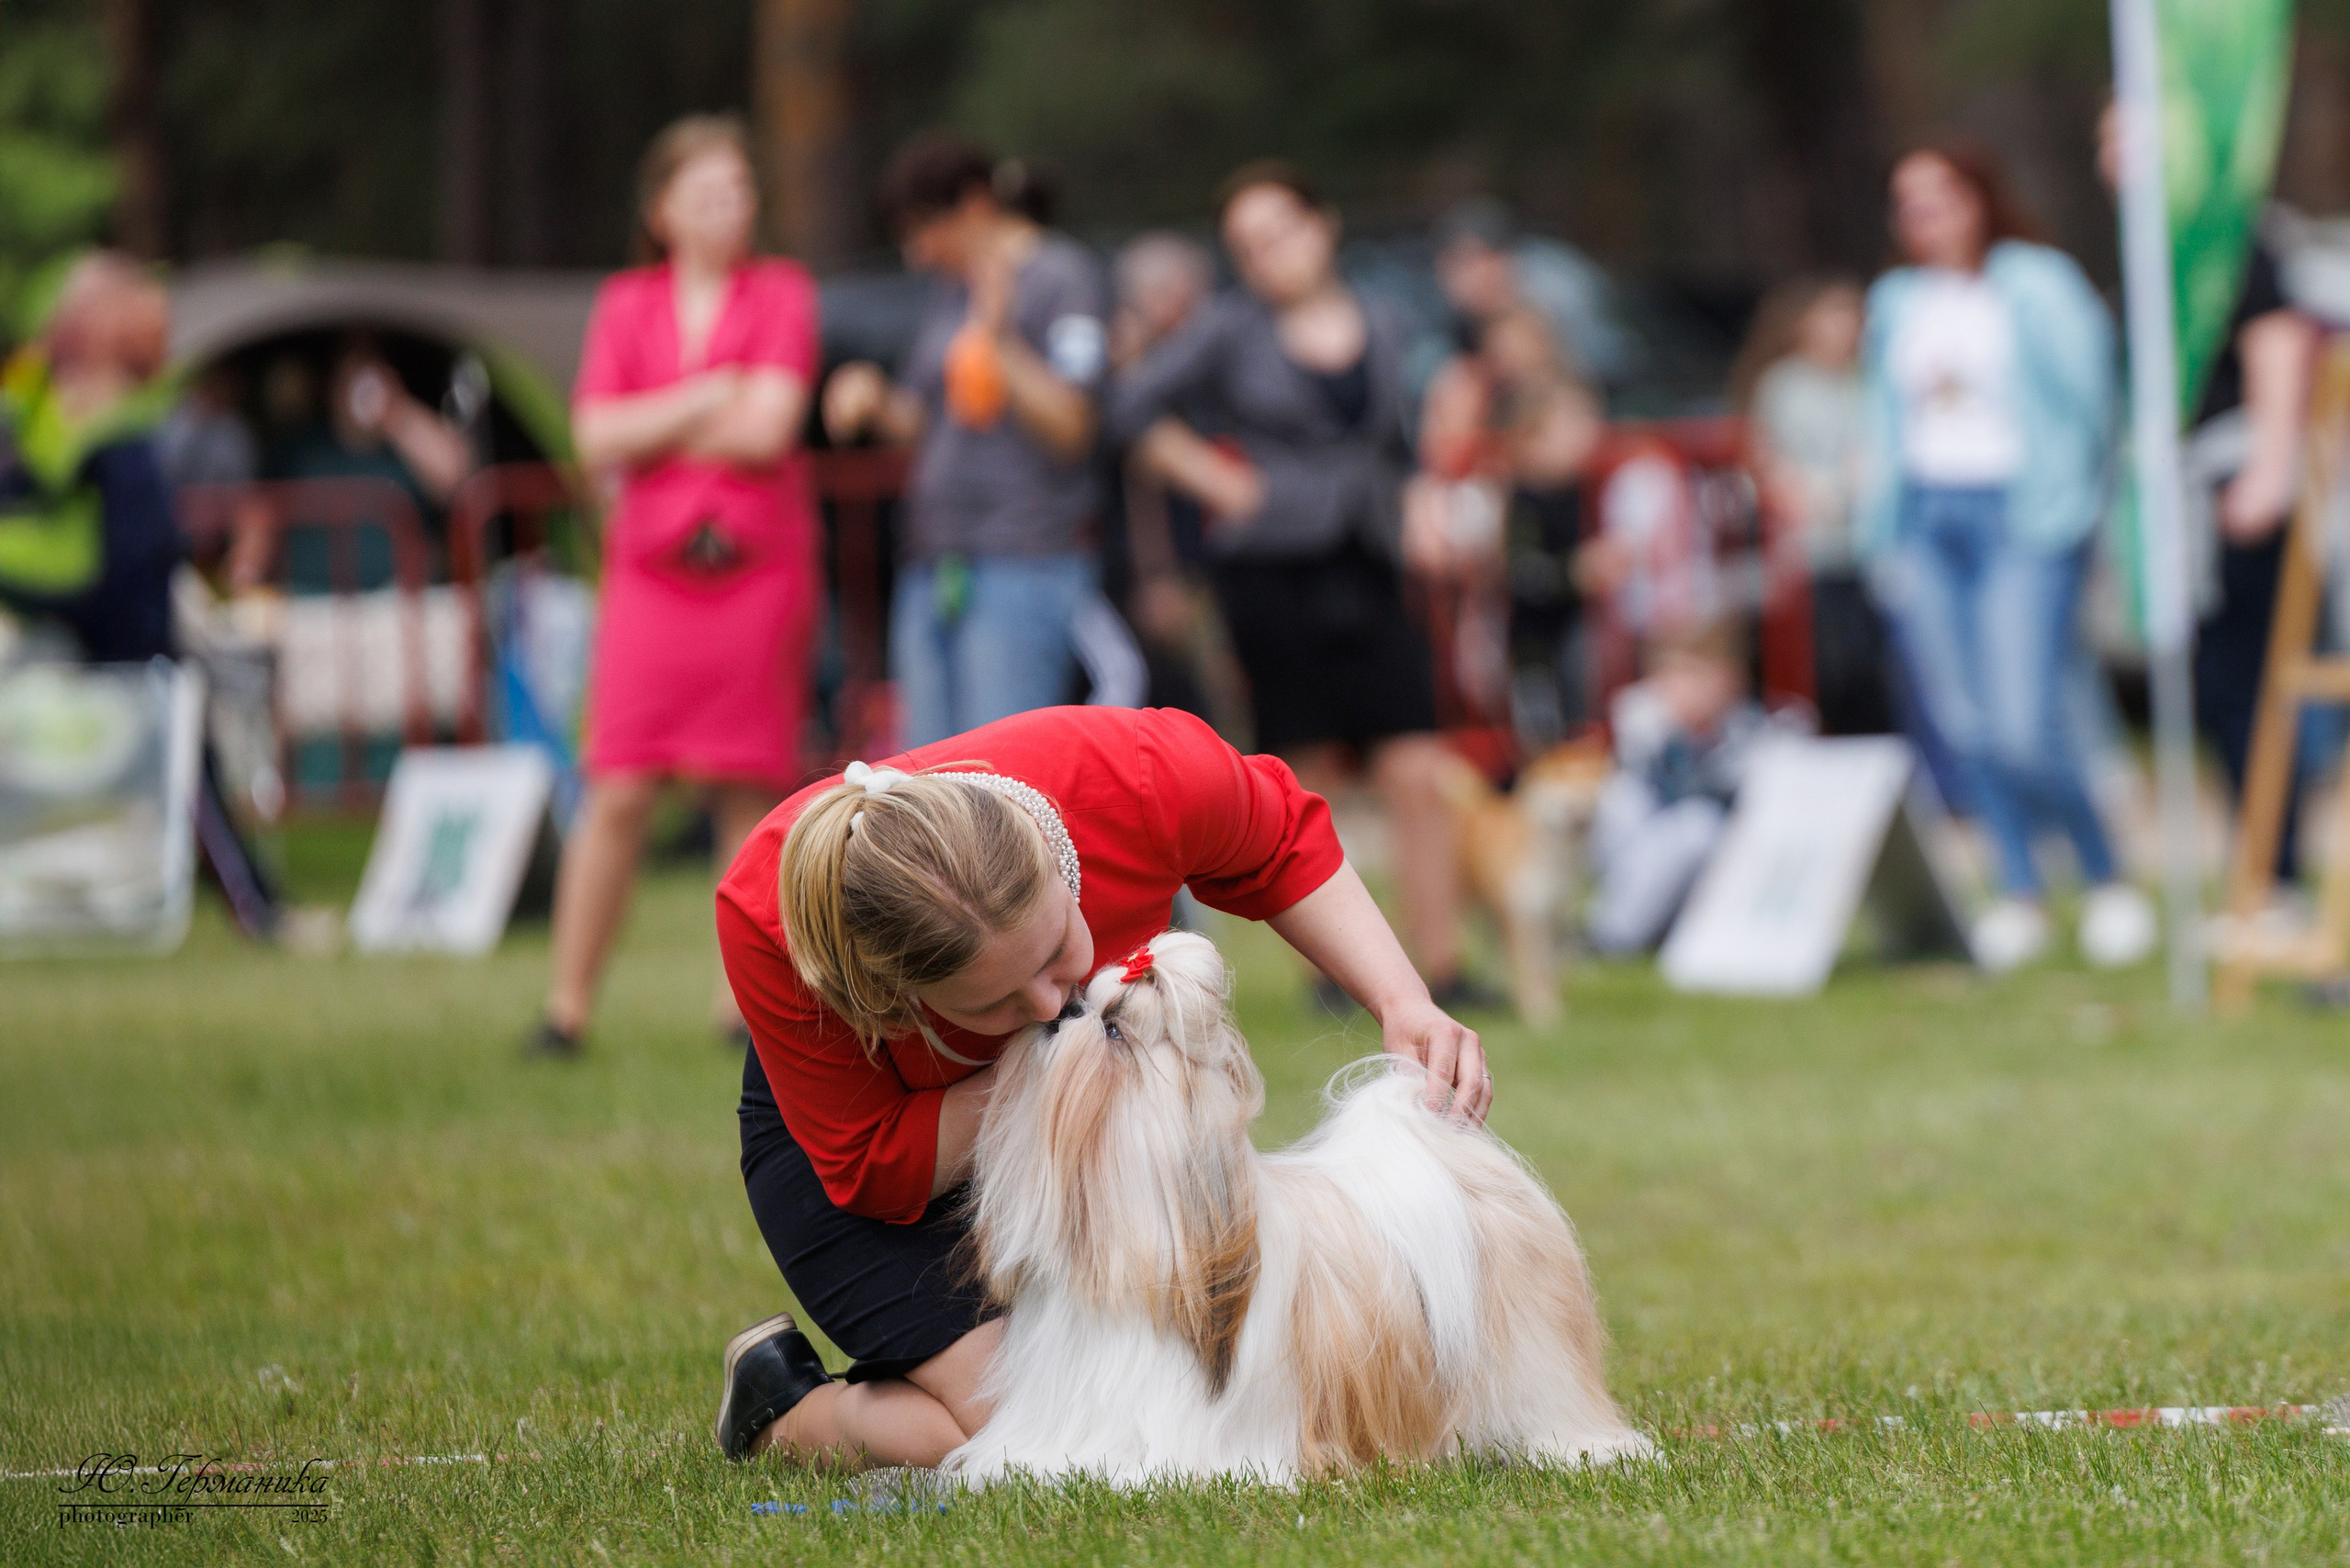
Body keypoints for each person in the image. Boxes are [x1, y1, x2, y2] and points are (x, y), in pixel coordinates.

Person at [708, 703, 1492, 1468]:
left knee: (1144, 1406)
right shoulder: (769, 922)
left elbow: (1279, 837)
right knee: (1035, 1434)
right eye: (999, 1006)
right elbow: (874, 1165)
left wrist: (1401, 999)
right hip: (866, 1167)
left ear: (1058, 859)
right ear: (894, 998)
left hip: (1077, 1141)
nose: (1054, 1005)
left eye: (1058, 951)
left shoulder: (1138, 774)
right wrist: (1075, 1072)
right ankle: (793, 1412)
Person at [1108, 163, 1488, 1010]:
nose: (1266, 256)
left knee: (1418, 763)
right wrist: (1214, 478)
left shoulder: (1384, 320)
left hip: (1371, 555)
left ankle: (1443, 961)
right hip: (1272, 565)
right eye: (1246, 245)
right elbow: (1130, 408)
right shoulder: (1226, 331)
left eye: (1278, 231)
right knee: (1307, 775)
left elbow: (1400, 441)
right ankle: (1337, 973)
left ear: (1323, 223)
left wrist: (1423, 499)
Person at [529, 115, 822, 1058]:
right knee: (618, 784)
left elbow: (769, 429)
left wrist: (647, 426)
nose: (727, 208)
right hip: (651, 576)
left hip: (756, 570)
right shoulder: (625, 303)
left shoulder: (780, 294)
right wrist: (703, 398)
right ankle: (565, 1008)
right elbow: (592, 435)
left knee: (750, 786)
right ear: (661, 211)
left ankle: (744, 1007)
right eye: (706, 191)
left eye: (739, 190)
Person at [1857, 142, 2154, 972]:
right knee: (1963, 719)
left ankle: (2104, 875)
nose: (1922, 218)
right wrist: (1873, 516)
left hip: (2022, 512)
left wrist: (2085, 511)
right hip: (1924, 516)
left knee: (2027, 716)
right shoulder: (1897, 298)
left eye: (1938, 198)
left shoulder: (2036, 282)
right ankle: (2018, 887)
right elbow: (1883, 416)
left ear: (1979, 199)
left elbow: (2093, 399)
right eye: (1906, 203)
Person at [0, 251, 289, 940]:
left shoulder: (84, 406)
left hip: (90, 599)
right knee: (182, 754)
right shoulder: (60, 409)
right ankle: (257, 910)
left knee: (183, 757)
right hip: (94, 605)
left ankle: (255, 906)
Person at [2095, 108, 2324, 898]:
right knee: (2219, 692)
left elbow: (2280, 343)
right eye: (2107, 141)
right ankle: (2261, 868)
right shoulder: (2152, 251)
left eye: (2129, 138)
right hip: (2180, 494)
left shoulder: (2229, 239)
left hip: (2235, 483)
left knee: (2253, 688)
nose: (2113, 157)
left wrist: (2270, 467)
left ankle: (2279, 874)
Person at [821, 135, 1112, 747]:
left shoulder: (1062, 277)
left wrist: (1000, 337)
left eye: (925, 231)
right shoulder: (951, 291)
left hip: (1024, 555)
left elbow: (1072, 425)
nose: (917, 255)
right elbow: (931, 420)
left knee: (1000, 767)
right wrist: (875, 398)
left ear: (976, 205)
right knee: (927, 772)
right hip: (937, 555)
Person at [1736, 276, 1898, 737]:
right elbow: (1770, 466)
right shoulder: (1784, 387)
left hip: (1871, 551)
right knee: (1831, 668)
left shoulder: (1873, 383)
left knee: (1878, 671)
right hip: (1813, 555)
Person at [1586, 621, 1776, 954]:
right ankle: (1614, 929)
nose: (1684, 689)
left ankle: (1627, 934)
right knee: (1636, 808)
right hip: (1636, 857)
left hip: (1713, 875)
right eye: (1672, 676)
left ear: (1732, 680)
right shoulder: (1644, 720)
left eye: (1698, 676)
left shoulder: (1752, 728)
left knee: (1701, 826)